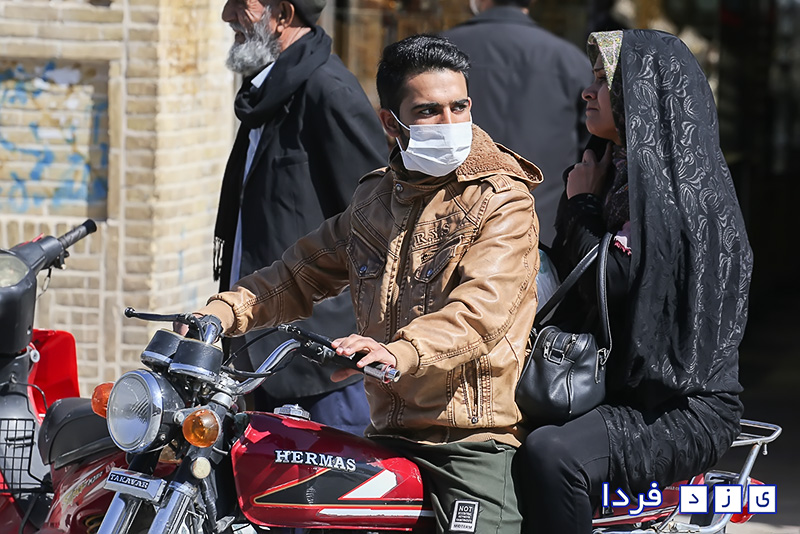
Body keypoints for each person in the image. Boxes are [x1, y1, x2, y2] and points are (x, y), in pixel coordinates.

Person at [197, 34, 542, 534]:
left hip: (469, 443)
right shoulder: (376, 200)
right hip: (385, 434)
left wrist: (398, 352)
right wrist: (220, 313)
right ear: (391, 123)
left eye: (459, 106)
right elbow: (296, 274)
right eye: (428, 111)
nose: (450, 123)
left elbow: (481, 312)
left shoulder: (503, 200)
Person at [520, 30, 752, 532]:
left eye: (604, 81)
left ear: (640, 93)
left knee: (552, 456)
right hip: (608, 385)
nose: (588, 92)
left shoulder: (683, 196)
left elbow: (614, 283)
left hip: (680, 404)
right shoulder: (616, 176)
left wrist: (582, 205)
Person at [214, 0, 387, 434]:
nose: (227, 15)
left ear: (284, 15)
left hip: (320, 367)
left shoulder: (330, 92)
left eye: (241, 4)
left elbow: (380, 226)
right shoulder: (271, 91)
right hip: (260, 352)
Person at [441, 0, 592, 247]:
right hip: (541, 232)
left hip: (449, 229)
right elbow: (590, 152)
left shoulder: (439, 53)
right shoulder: (570, 61)